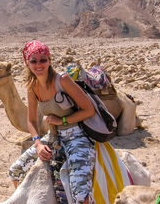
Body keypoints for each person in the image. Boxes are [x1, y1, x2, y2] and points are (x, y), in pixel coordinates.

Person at [9, 40, 96, 204]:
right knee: (16, 171)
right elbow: (31, 121)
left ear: (49, 60)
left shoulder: (62, 80)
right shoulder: (32, 87)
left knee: (81, 194)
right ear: (27, 63)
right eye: (34, 61)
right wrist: (38, 144)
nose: (39, 65)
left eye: (43, 60)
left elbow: (89, 110)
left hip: (77, 137)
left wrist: (61, 119)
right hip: (53, 137)